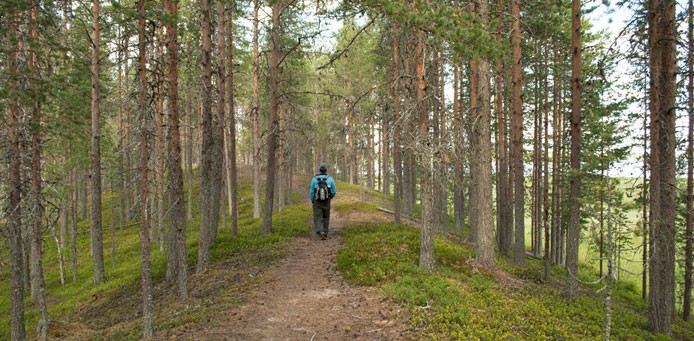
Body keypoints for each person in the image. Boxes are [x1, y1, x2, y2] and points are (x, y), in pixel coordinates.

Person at [310, 163, 336, 240]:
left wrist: (312, 199)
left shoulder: (314, 179)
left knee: (318, 216)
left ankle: (320, 231)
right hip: (327, 200)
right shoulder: (330, 179)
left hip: (317, 201)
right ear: (326, 170)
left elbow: (311, 192)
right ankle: (325, 232)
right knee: (326, 216)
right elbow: (334, 191)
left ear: (320, 170)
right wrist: (330, 197)